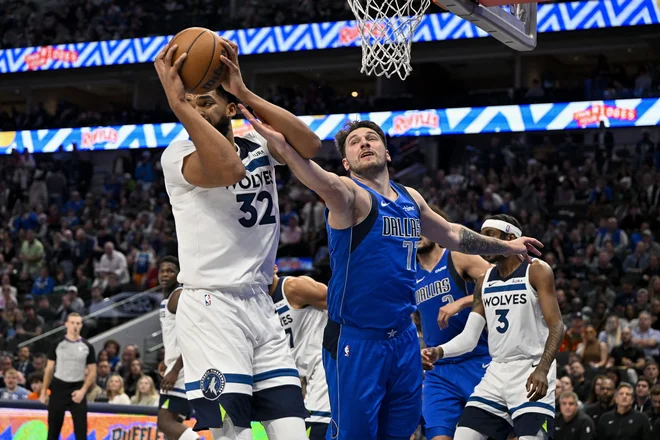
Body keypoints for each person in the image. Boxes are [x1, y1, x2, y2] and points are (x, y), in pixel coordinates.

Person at [239, 115, 541, 439]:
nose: (364, 143)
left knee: (401, 431)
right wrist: (283, 146)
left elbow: (453, 234)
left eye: (371, 138)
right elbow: (319, 179)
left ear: (387, 153)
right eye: (355, 142)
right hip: (356, 340)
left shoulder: (410, 198)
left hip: (403, 338)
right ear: (346, 162)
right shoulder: (350, 196)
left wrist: (506, 246)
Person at [156, 34, 321, 439]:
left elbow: (310, 144)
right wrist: (179, 104)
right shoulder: (178, 156)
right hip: (212, 306)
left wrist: (244, 91)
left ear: (230, 109)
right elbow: (228, 169)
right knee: (236, 435)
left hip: (260, 305)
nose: (197, 107)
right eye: (193, 103)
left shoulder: (257, 142)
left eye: (206, 101)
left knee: (292, 433)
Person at [422, 215, 563, 440]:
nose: (484, 241)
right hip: (496, 372)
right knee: (464, 436)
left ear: (510, 238)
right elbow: (469, 337)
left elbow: (557, 326)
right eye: (482, 235)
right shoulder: (484, 280)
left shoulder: (536, 270)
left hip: (531, 368)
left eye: (490, 236)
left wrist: (543, 370)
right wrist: (439, 352)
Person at [415, 206, 492, 440]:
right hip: (439, 370)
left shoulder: (457, 256)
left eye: (424, 226)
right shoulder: (408, 273)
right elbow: (411, 321)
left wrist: (462, 302)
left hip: (477, 359)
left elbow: (500, 284)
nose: (418, 232)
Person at [268, 266, 329, 440]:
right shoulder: (258, 304)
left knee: (316, 430)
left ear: (274, 267)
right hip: (302, 377)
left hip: (325, 366)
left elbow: (342, 304)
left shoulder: (293, 287)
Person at [156, 256, 198, 440]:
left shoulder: (179, 297)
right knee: (172, 431)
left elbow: (193, 337)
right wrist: (166, 360)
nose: (165, 274)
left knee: (164, 423)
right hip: (177, 366)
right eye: (162, 270)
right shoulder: (169, 299)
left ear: (179, 274)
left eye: (170, 270)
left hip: (181, 370)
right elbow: (174, 336)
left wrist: (174, 369)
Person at [41, 313, 96, 440]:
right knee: (53, 430)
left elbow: (92, 372)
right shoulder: (57, 344)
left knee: (81, 431)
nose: (75, 326)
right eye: (72, 323)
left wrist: (83, 391)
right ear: (66, 324)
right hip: (58, 387)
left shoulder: (88, 346)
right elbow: (49, 369)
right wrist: (44, 391)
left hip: (77, 388)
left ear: (81, 325)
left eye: (78, 323)